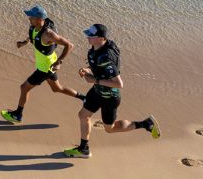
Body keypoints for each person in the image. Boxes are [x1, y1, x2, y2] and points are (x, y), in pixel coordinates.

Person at [63, 23, 160, 158]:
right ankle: (83, 149)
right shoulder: (98, 47)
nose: (87, 37)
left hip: (109, 97)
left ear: (101, 38)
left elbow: (119, 84)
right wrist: (88, 70)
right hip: (97, 91)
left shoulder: (106, 57)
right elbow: (99, 67)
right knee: (83, 115)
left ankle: (145, 124)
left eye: (91, 36)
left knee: (110, 128)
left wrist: (94, 80)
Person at [0, 5, 85, 124]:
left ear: (40, 19)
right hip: (45, 65)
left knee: (24, 87)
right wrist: (24, 42)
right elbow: (34, 37)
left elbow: (69, 45)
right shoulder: (34, 27)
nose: (29, 18)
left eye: (32, 17)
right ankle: (84, 98)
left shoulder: (48, 34)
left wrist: (59, 61)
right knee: (57, 89)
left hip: (46, 68)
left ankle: (18, 115)